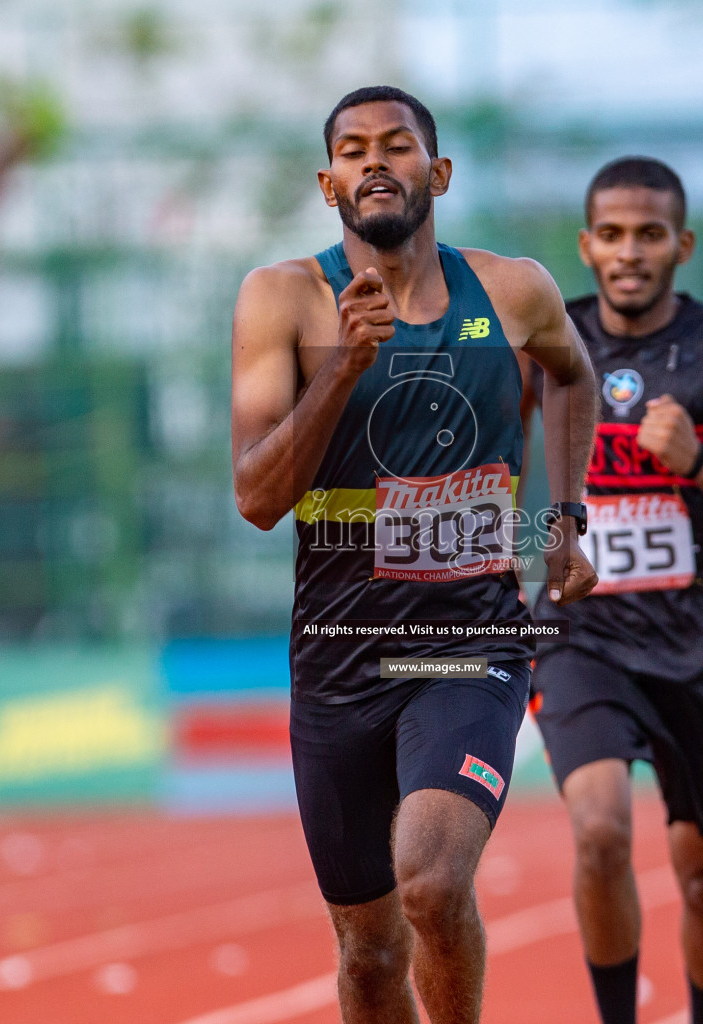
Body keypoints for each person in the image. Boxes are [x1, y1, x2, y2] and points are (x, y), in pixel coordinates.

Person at [229, 85, 599, 1024]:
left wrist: (565, 520)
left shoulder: (513, 289)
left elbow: (573, 372)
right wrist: (342, 368)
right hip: (340, 653)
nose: (375, 161)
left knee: (431, 885)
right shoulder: (281, 299)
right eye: (352, 151)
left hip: (468, 647)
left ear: (436, 173)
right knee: (368, 951)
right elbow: (257, 499)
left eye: (397, 145)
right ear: (329, 184)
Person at [525, 157, 703, 1024]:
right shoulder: (548, 343)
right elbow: (482, 461)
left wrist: (698, 463)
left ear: (682, 244)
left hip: (701, 646)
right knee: (602, 830)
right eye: (610, 234)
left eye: (649, 234)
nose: (629, 251)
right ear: (585, 245)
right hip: (583, 636)